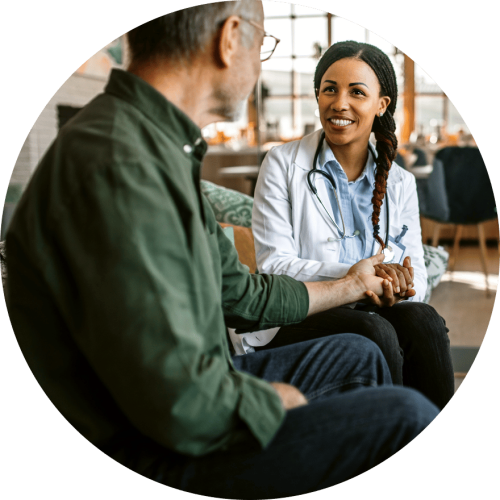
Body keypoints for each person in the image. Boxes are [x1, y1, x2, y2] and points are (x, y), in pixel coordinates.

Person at [4, 3, 439, 497]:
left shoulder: (158, 148)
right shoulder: (122, 166)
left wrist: (353, 283)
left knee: (359, 352)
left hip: (190, 387)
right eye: (263, 46)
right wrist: (270, 402)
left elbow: (242, 295)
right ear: (231, 38)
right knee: (406, 415)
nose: (258, 66)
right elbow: (175, 404)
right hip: (144, 445)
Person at [252, 40, 454, 411]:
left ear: (381, 105)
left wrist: (398, 284)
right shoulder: (281, 163)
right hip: (300, 314)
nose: (339, 103)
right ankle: (386, 438)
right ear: (318, 95)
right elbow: (273, 267)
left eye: (356, 92)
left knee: (423, 319)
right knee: (374, 330)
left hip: (373, 307)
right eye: (329, 89)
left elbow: (418, 276)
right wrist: (355, 279)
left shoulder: (400, 182)